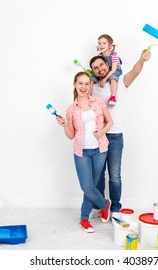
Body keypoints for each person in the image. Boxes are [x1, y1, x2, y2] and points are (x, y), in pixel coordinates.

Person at [89, 49, 151, 219]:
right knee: (98, 174)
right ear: (92, 72)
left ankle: (115, 207)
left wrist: (142, 59)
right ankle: (100, 205)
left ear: (108, 64)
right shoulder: (92, 87)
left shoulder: (119, 83)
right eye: (95, 68)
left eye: (101, 64)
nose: (99, 69)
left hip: (115, 135)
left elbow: (134, 72)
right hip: (98, 135)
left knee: (115, 174)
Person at [56, 71, 113, 233]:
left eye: (87, 83)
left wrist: (101, 132)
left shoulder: (98, 102)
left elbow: (110, 122)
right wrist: (64, 124)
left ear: (91, 85)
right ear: (74, 85)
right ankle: (104, 204)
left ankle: (84, 218)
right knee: (87, 186)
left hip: (100, 149)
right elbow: (71, 135)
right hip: (81, 151)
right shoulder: (71, 109)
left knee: (92, 186)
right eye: (80, 83)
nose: (84, 87)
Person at [91, 34, 123, 106]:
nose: (101, 45)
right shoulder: (99, 56)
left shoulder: (114, 56)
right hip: (105, 70)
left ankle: (113, 97)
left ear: (110, 46)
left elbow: (113, 70)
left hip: (114, 70)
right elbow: (97, 66)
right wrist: (92, 71)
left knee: (113, 78)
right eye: (99, 43)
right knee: (91, 78)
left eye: (104, 43)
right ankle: (89, 98)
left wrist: (104, 79)